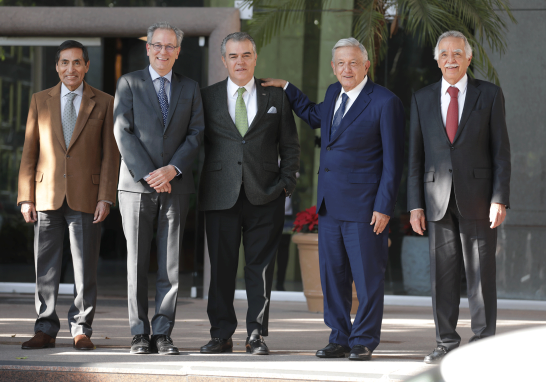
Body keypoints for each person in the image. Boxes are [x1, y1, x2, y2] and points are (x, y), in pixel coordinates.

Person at [262, 37, 405, 361]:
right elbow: (314, 115)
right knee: (333, 277)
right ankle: (339, 337)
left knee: (368, 281)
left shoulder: (385, 102)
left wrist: (384, 207)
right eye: (340, 63)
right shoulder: (332, 94)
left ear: (366, 65)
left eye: (353, 62)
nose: (347, 68)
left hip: (366, 209)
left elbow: (394, 164)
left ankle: (364, 340)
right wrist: (287, 87)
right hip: (329, 207)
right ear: (333, 67)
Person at [407, 31, 511, 364]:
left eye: (457, 53)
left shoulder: (489, 94)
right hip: (436, 200)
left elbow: (501, 153)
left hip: (479, 198)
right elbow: (415, 157)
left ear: (468, 58)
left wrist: (500, 198)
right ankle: (446, 342)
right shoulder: (422, 98)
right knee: (443, 274)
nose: (450, 59)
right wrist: (414, 204)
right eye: (444, 54)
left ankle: (483, 343)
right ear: (436, 60)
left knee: (482, 274)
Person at [198, 32, 300, 356]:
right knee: (222, 270)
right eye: (233, 56)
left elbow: (291, 146)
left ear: (255, 58)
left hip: (266, 194)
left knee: (260, 270)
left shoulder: (276, 98)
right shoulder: (207, 97)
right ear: (223, 60)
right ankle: (221, 334)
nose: (239, 61)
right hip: (219, 196)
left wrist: (286, 185)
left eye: (245, 55)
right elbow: (196, 145)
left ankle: (256, 334)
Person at [17, 40, 119, 351]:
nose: (70, 69)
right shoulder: (40, 100)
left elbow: (110, 156)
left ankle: (81, 328)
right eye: (64, 63)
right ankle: (45, 327)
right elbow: (29, 151)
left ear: (87, 66)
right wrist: (25, 197)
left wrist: (106, 197)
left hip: (86, 196)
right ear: (57, 66)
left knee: (84, 266)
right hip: (46, 193)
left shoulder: (104, 102)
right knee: (44, 266)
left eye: (77, 63)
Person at [114, 22, 204, 355]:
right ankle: (139, 333)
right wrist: (151, 174)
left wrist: (172, 170)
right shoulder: (129, 82)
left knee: (170, 264)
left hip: (176, 186)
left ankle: (162, 332)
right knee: (136, 263)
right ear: (148, 48)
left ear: (178, 52)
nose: (163, 51)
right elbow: (122, 132)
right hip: (137, 188)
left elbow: (196, 134)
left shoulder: (190, 88)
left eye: (170, 47)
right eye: (158, 45)